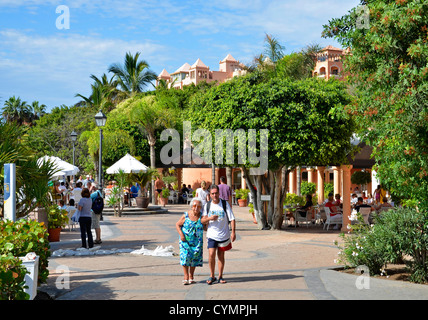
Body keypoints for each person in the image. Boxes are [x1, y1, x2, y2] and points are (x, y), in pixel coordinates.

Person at [201, 185, 236, 285]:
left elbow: (232, 219)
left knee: (221, 256)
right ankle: (212, 275)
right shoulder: (207, 205)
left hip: (224, 234)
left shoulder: (224, 204)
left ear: (219, 193)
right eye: (212, 193)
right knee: (211, 254)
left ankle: (220, 276)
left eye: (216, 193)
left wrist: (233, 232)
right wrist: (209, 218)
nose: (215, 195)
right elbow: (202, 220)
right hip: (212, 234)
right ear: (210, 195)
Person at [175, 199, 205, 285]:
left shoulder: (201, 217)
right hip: (185, 241)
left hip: (197, 242)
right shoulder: (186, 215)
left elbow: (206, 227)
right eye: (195, 206)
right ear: (191, 206)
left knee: (194, 258)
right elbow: (177, 224)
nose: (196, 208)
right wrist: (181, 235)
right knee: (185, 257)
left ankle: (191, 276)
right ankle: (186, 277)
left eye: (199, 206)